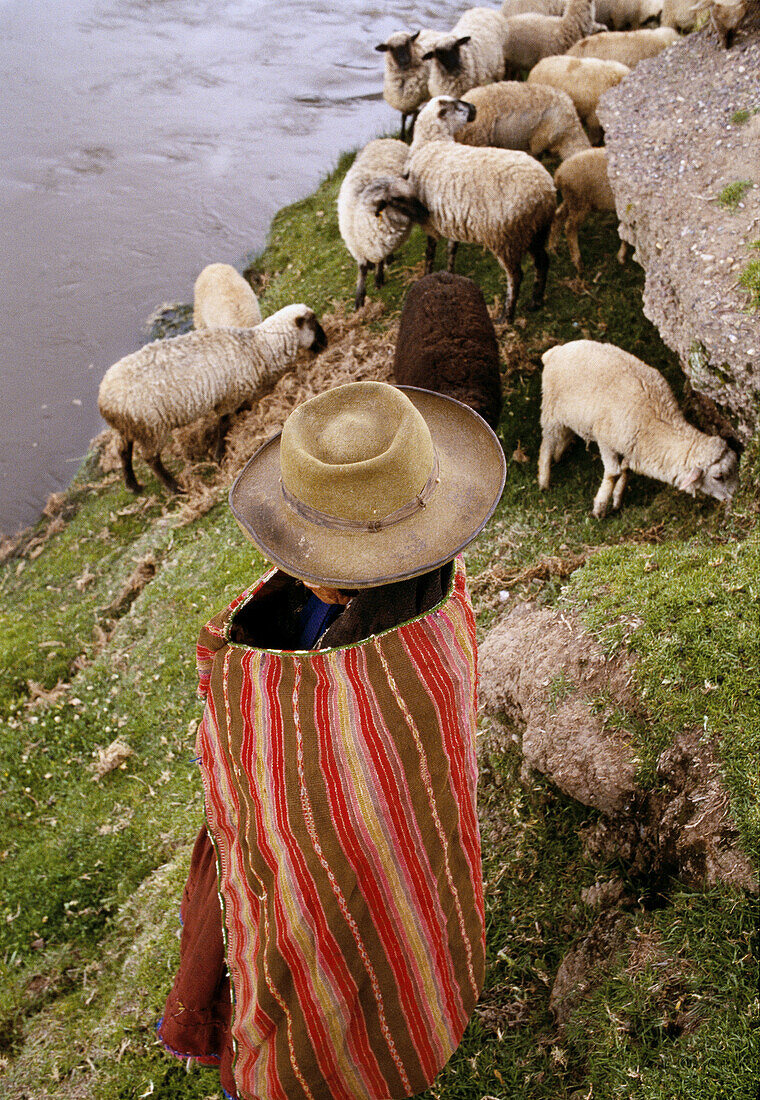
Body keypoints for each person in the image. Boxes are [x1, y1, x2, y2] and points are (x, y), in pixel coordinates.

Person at [158, 380, 506, 1100]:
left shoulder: (401, 650)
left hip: (340, 869)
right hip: (352, 839)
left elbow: (321, 813)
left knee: (325, 956)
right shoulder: (435, 590)